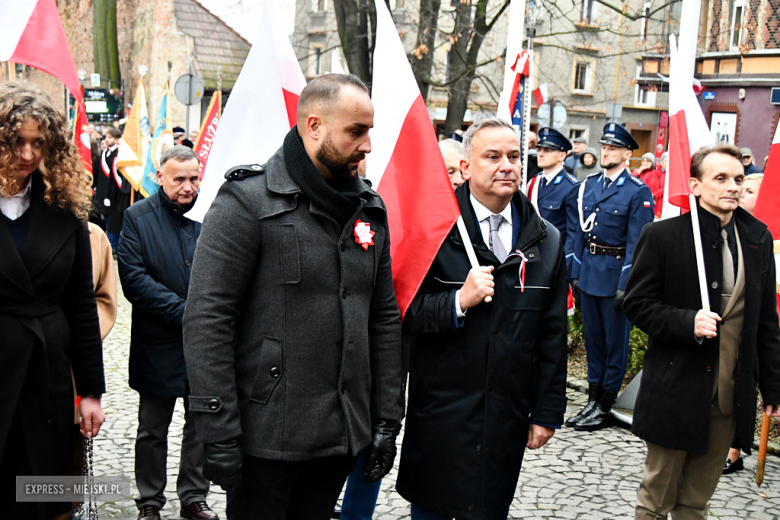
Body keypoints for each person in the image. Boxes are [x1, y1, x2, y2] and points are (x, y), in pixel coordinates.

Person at [182, 73, 404, 520]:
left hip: (340, 432)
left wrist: (385, 421)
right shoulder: (246, 202)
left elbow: (382, 319)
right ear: (314, 126)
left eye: (369, 132)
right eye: (356, 132)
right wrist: (218, 431)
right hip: (266, 436)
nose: (368, 146)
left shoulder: (369, 208)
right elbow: (207, 320)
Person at [396, 118, 569, 519]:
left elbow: (552, 333)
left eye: (513, 156)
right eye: (492, 156)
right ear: (466, 168)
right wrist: (458, 300)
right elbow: (404, 313)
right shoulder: (433, 229)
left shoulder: (546, 239)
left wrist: (546, 412)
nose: (506, 165)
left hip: (504, 416)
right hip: (442, 412)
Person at [624, 144, 780, 519]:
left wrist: (773, 386)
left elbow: (766, 322)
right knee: (656, 498)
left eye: (739, 179)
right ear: (694, 185)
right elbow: (635, 303)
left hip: (729, 395)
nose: (733, 187)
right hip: (676, 387)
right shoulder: (663, 235)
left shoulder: (758, 239)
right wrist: (686, 321)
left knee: (696, 500)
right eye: (720, 178)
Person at [0, 80, 106, 519]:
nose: (27, 155)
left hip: (48, 377)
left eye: (38, 143)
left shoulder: (65, 210)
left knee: (47, 496)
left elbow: (82, 306)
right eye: (16, 142)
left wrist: (91, 393)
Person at [118, 146, 216, 520]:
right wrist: (187, 313)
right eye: (179, 179)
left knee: (200, 427)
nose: (188, 187)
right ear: (160, 177)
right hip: (157, 344)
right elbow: (135, 281)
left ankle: (194, 495)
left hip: (203, 347)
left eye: (194, 178)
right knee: (152, 430)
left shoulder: (210, 216)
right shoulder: (137, 218)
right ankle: (149, 501)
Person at [567, 123, 655, 431]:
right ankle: (592, 400)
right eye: (604, 147)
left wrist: (626, 285)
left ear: (627, 154)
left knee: (614, 343)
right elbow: (579, 232)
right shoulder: (590, 185)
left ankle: (604, 405)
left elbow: (638, 245)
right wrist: (575, 272)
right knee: (594, 342)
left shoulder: (637, 192)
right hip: (590, 273)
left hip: (615, 276)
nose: (606, 152)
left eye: (613, 148)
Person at [721, 171, 765, 475]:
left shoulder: (762, 236)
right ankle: (730, 446)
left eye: (748, 190)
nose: (739, 193)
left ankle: (736, 447)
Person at [526, 127, 580, 279]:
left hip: (555, 258)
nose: (541, 153)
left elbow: (573, 234)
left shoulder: (572, 187)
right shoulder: (534, 182)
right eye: (540, 149)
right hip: (532, 256)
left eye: (548, 150)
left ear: (562, 155)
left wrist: (566, 267)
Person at [96, 127, 132, 250]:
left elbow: (116, 178)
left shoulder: (117, 155)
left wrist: (109, 196)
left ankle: (114, 246)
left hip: (114, 195)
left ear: (117, 139)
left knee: (114, 223)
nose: (106, 140)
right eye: (106, 137)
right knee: (106, 221)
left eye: (109, 137)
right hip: (103, 193)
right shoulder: (105, 153)